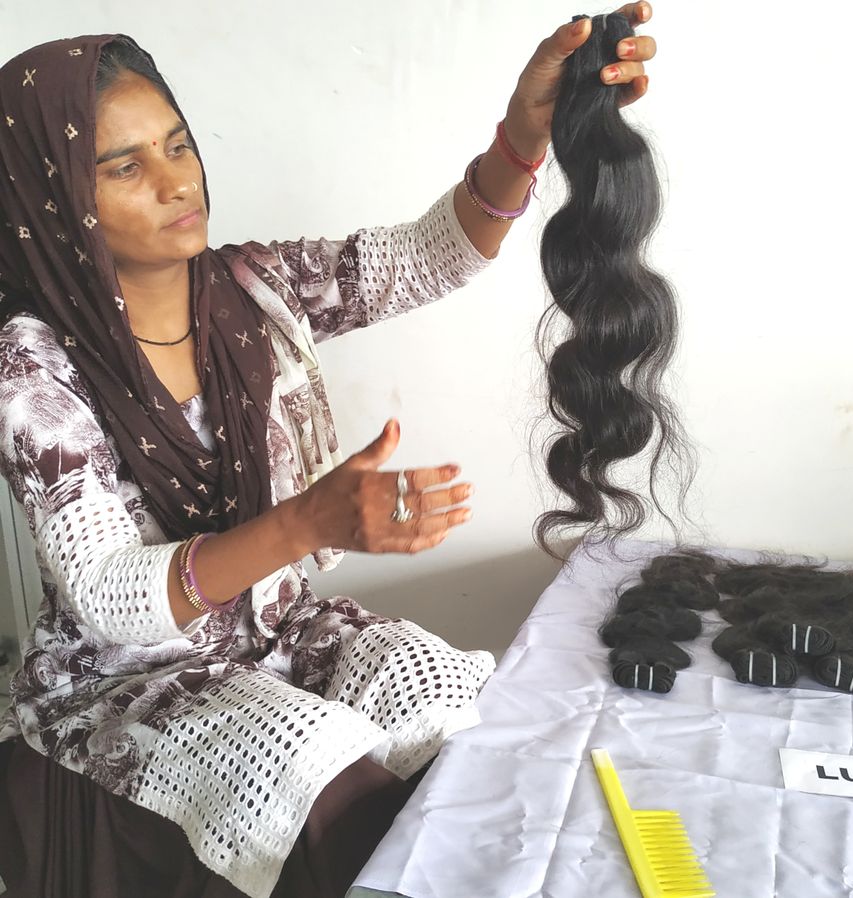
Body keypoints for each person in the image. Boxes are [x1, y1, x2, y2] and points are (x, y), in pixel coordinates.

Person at [0, 5, 657, 897]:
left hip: (274, 629)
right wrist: (305, 522)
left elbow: (429, 256)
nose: (175, 181)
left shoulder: (252, 288)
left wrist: (526, 129)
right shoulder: (32, 364)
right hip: (118, 679)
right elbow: (109, 595)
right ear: (51, 201)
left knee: (448, 700)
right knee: (310, 761)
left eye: (178, 145)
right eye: (124, 166)